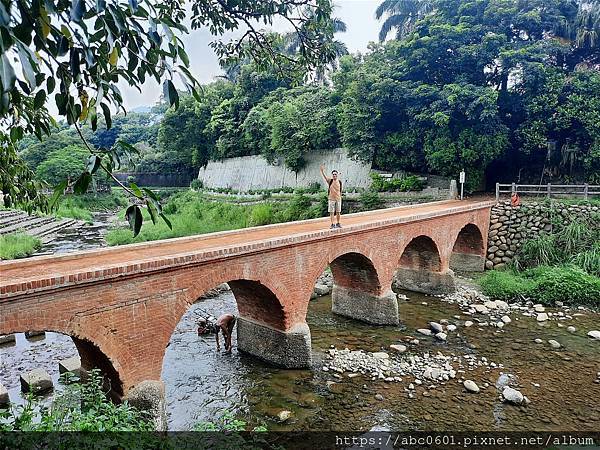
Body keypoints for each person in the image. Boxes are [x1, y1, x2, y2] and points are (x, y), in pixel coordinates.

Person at [320, 164, 343, 229]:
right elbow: (325, 177)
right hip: (331, 199)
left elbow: (340, 190)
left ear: (337, 175)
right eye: (333, 174)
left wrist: (340, 197)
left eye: (335, 174)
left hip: (338, 199)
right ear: (332, 175)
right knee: (332, 212)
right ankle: (333, 224)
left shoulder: (339, 182)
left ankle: (338, 223)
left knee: (338, 212)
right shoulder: (330, 181)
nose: (334, 175)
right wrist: (322, 171)